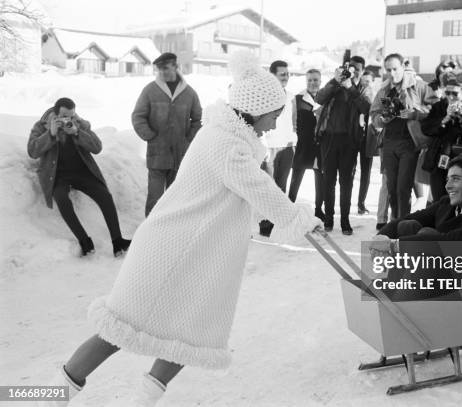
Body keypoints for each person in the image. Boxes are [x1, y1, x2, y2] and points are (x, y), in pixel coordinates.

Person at [40, 51, 322, 407]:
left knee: (190, 331)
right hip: (168, 247)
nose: (273, 124)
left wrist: (297, 218)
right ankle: (47, 396)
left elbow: (258, 184)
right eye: (274, 116)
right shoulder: (226, 143)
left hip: (197, 252)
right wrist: (298, 218)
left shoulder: (234, 138)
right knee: (119, 327)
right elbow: (258, 188)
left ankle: (142, 399)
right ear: (255, 108)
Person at [374, 153, 462, 302]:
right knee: (408, 226)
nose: (448, 185)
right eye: (448, 179)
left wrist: (393, 245)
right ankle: (397, 290)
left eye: (456, 179)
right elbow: (409, 218)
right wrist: (380, 239)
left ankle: (403, 301)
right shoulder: (448, 203)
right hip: (451, 271)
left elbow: (453, 243)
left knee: (426, 237)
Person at [27, 97, 131, 257]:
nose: (67, 119)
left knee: (105, 196)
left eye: (71, 115)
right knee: (62, 200)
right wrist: (50, 134)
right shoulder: (41, 126)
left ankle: (118, 242)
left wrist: (77, 132)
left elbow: (97, 147)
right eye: (64, 116)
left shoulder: (79, 123)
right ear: (55, 114)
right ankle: (84, 242)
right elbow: (32, 151)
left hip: (82, 172)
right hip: (58, 176)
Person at [132, 52, 202, 217]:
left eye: (165, 68)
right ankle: (149, 232)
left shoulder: (189, 93)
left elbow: (198, 119)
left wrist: (187, 139)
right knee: (155, 198)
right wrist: (150, 136)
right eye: (159, 69)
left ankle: (169, 232)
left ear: (176, 67)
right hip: (157, 154)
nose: (162, 72)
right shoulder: (150, 90)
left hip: (180, 156)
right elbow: (138, 116)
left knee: (175, 198)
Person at [315, 55, 373, 235]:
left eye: (357, 68)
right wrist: (335, 80)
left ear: (362, 71)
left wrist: (351, 87)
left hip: (350, 140)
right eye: (350, 67)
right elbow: (319, 98)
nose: (352, 71)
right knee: (328, 181)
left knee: (346, 182)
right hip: (329, 139)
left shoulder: (363, 88)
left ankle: (345, 220)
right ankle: (329, 219)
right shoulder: (336, 83)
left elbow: (367, 108)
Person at [370, 53, 429, 220]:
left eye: (395, 68)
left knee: (403, 188)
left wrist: (414, 113)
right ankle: (395, 223)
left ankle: (403, 227)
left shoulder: (418, 86)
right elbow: (374, 116)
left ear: (403, 66)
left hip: (409, 143)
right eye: (388, 70)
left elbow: (433, 110)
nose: (392, 73)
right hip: (389, 143)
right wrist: (382, 119)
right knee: (392, 188)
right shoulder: (384, 90)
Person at [421, 70, 462, 201]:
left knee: (461, 199)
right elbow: (426, 128)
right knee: (439, 199)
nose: (451, 97)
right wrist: (444, 119)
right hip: (440, 159)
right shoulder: (440, 106)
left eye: (455, 93)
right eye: (447, 93)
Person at [259, 60, 298, 236]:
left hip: (287, 148)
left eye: (287, 74)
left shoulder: (290, 96)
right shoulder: (264, 95)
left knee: (282, 187)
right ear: (272, 75)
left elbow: (294, 122)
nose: (286, 77)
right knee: (269, 189)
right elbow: (259, 123)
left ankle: (276, 225)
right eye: (282, 74)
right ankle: (265, 225)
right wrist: (264, 147)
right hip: (271, 149)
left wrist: (293, 142)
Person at [288, 68, 324, 221]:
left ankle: (318, 209)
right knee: (296, 176)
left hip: (320, 145)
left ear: (320, 81)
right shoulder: (297, 99)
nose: (312, 83)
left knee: (320, 177)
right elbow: (292, 122)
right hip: (303, 144)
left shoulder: (325, 98)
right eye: (309, 80)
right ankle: (289, 207)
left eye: (315, 80)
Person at [357, 70, 377, 215]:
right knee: (350, 172)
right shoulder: (355, 94)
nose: (365, 84)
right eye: (363, 81)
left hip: (368, 137)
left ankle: (361, 203)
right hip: (354, 136)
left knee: (366, 172)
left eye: (368, 81)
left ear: (373, 82)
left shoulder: (376, 96)